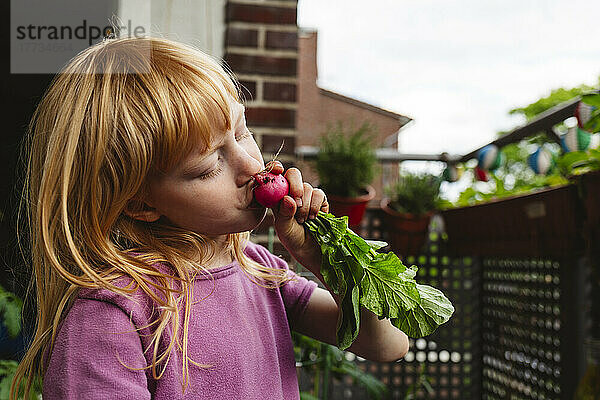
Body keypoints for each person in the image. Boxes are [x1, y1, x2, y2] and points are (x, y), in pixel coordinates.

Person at [11, 36, 409, 399]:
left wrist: (327, 262)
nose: (251, 166)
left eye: (241, 133)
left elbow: (386, 345)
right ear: (140, 203)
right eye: (207, 167)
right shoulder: (112, 314)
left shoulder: (256, 270)